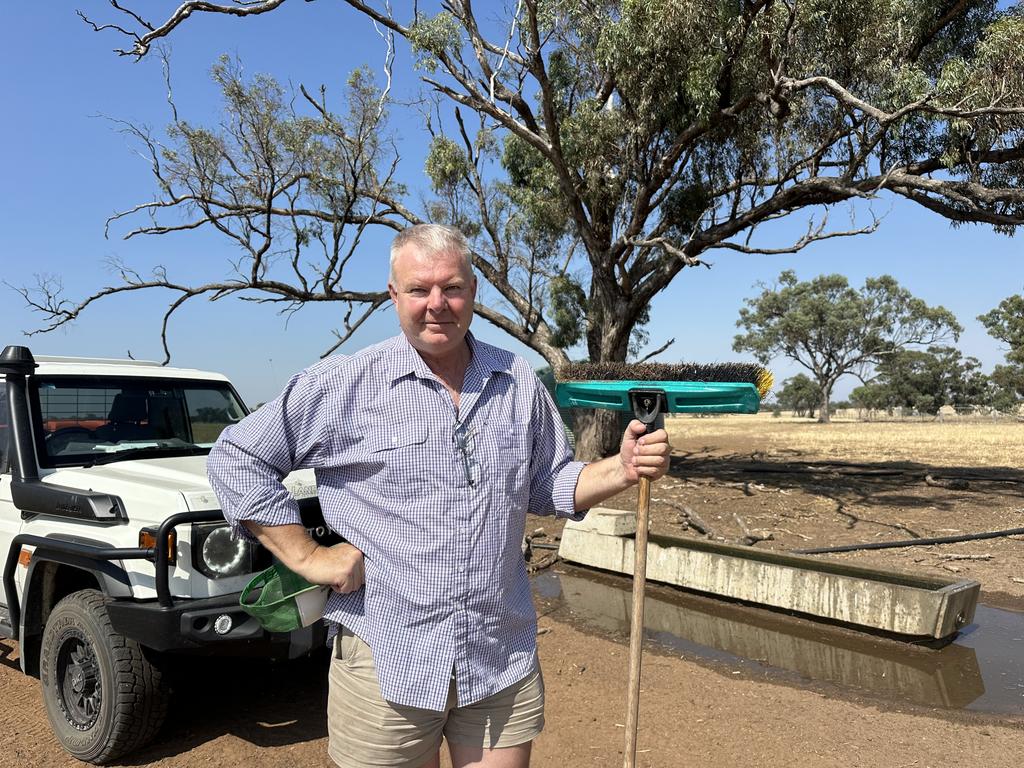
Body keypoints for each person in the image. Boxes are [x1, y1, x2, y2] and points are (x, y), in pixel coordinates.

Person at [207, 223, 670, 768]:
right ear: (393, 295)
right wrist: (308, 555)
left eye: (451, 288)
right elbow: (237, 458)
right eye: (418, 289)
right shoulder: (343, 384)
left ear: (472, 291)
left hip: (501, 655)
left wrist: (623, 467)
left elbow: (549, 483)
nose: (437, 304)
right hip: (388, 658)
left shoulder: (516, 379)